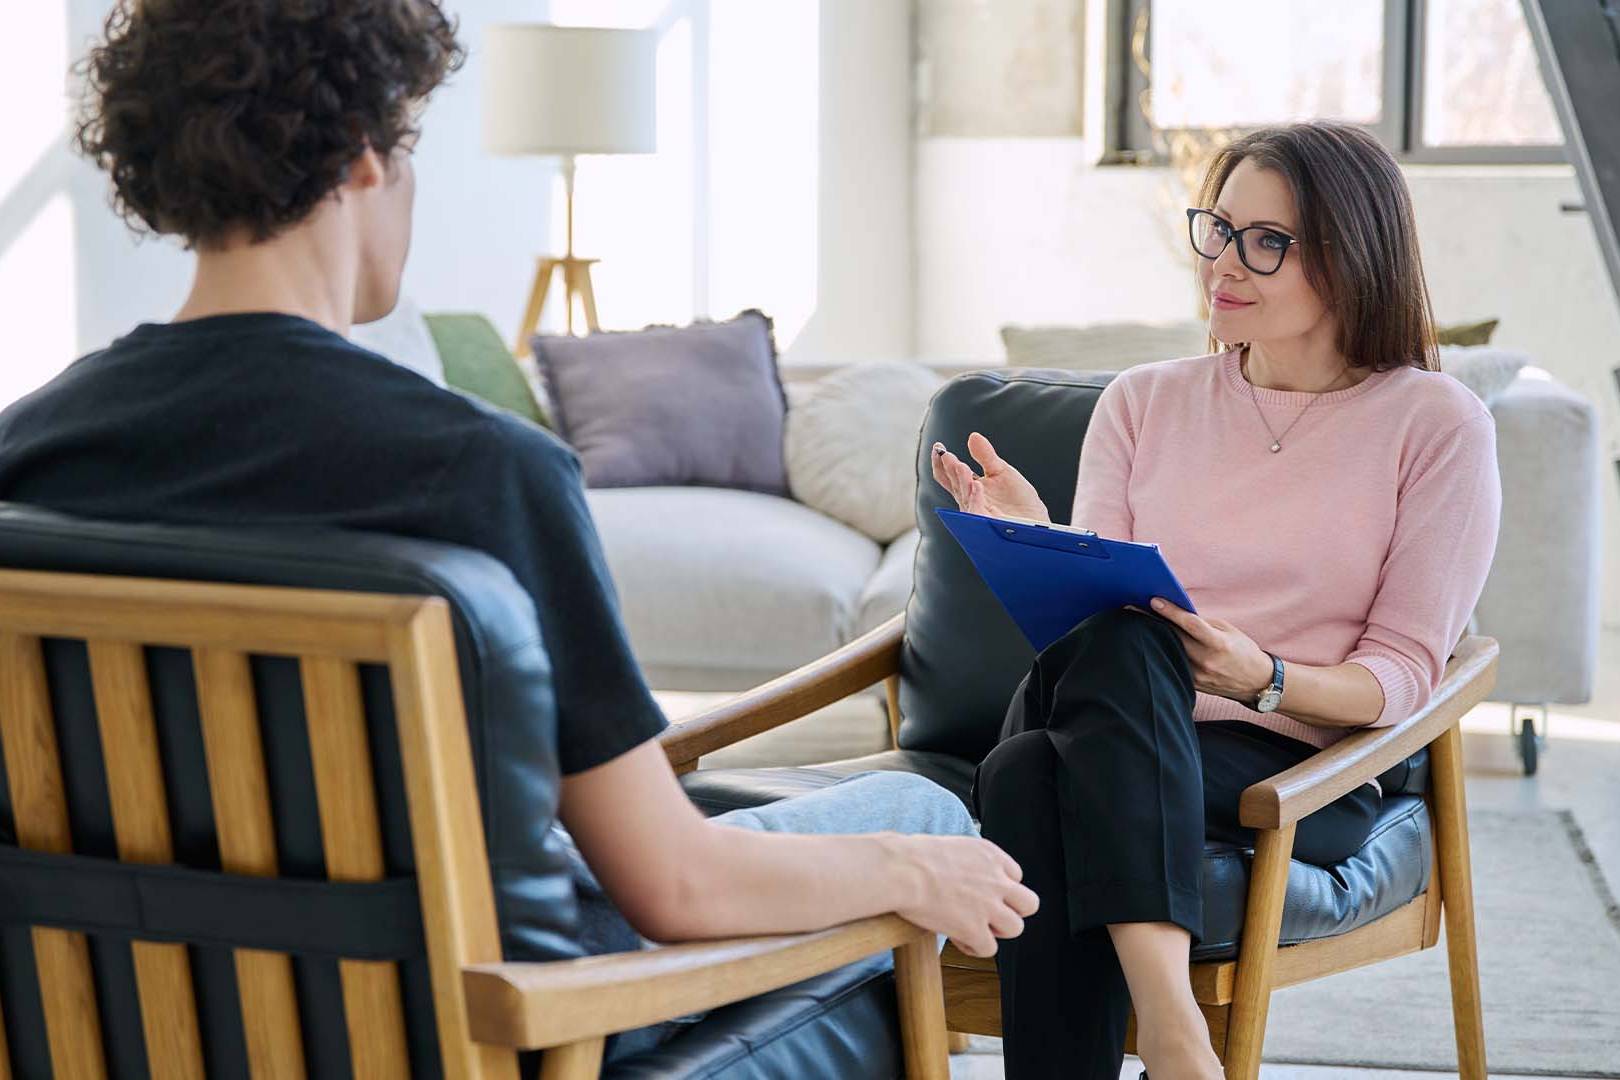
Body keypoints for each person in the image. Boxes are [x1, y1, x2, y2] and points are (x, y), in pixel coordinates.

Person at [0, 0, 1037, 1064]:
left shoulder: (24, 453)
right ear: (365, 158)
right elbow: (675, 883)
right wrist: (911, 872)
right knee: (925, 823)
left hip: (144, 1025)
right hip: (492, 1023)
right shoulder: (481, 470)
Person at [929, 121, 1501, 1080]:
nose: (1224, 265)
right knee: (1123, 640)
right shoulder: (1144, 401)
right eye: (1217, 228)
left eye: (1266, 242)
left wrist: (1265, 677)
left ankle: (1165, 1034)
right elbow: (1089, 623)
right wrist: (1043, 538)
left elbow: (1405, 673)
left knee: (1029, 776)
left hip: (1281, 762)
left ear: (1352, 257)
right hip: (1113, 710)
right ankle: (1176, 1032)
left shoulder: (1434, 423)